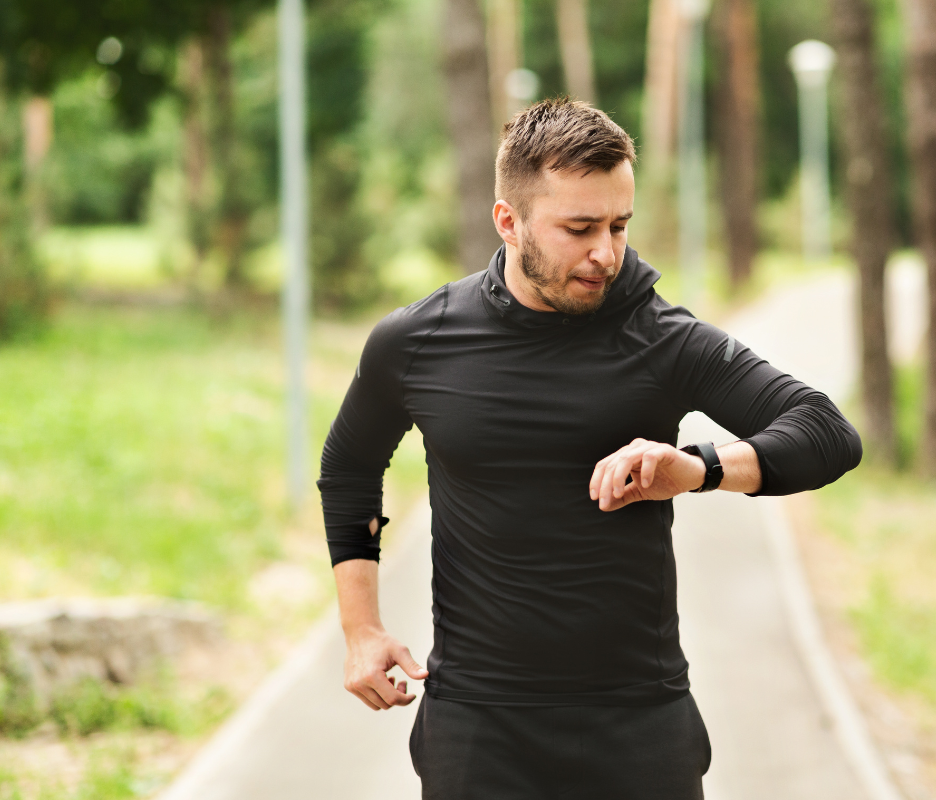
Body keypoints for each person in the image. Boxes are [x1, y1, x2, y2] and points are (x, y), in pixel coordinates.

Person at [318, 98, 862, 800]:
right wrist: (361, 629)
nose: (606, 253)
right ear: (508, 222)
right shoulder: (418, 341)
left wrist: (697, 469)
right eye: (579, 228)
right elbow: (350, 467)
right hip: (479, 722)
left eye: (619, 225)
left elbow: (825, 432)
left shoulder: (663, 337)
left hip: (639, 721)